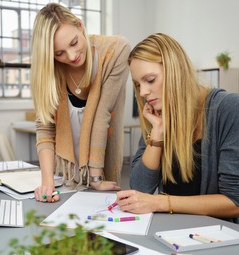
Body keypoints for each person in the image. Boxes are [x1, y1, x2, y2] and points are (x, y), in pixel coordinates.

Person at [117, 33, 239, 223]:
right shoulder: (158, 114)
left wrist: (161, 203)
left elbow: (234, 201)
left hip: (215, 239)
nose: (143, 92)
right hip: (171, 233)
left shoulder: (229, 109)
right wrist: (157, 133)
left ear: (176, 70)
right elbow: (140, 190)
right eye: (137, 84)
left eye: (150, 80)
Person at [30, 3, 130, 202]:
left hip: (101, 166)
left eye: (74, 43)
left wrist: (95, 177)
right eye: (59, 54)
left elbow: (103, 114)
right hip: (64, 174)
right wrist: (47, 182)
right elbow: (45, 128)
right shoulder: (49, 70)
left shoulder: (115, 51)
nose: (72, 56)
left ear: (80, 25)